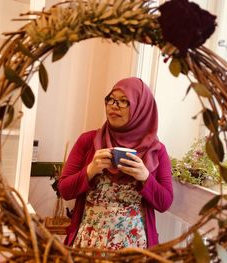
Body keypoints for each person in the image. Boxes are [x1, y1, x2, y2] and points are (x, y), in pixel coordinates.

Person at [58, 77, 173, 250]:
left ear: (142, 108)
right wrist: (90, 170)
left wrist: (145, 177)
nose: (114, 105)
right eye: (111, 99)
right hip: (88, 245)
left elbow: (165, 203)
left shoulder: (156, 150)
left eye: (123, 101)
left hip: (134, 250)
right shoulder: (88, 141)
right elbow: (64, 190)